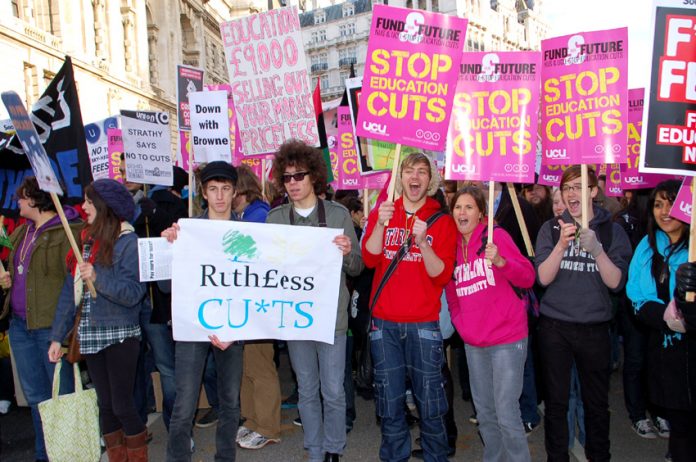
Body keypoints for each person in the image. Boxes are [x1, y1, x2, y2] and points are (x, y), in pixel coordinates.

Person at [266, 140, 362, 462]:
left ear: (314, 177)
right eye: (287, 177)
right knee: (306, 389)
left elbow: (358, 266)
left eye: (299, 176)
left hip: (331, 318)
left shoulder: (337, 215)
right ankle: (315, 450)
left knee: (333, 390)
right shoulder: (275, 219)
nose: (292, 183)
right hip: (294, 319)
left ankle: (334, 448)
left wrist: (348, 252)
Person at [362, 152, 457, 461]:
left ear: (430, 181)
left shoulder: (441, 220)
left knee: (431, 406)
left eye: (422, 171)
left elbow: (441, 274)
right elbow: (369, 258)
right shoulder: (384, 210)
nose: (415, 177)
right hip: (384, 325)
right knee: (389, 405)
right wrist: (380, 223)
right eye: (409, 170)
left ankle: (436, 456)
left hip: (423, 326)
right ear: (400, 177)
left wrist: (424, 243)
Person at [535, 165, 632, 462]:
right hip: (555, 328)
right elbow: (543, 278)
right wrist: (561, 247)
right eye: (567, 188)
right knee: (556, 402)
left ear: (593, 191)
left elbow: (615, 283)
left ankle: (599, 456)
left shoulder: (611, 229)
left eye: (579, 187)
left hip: (594, 329)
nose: (572, 193)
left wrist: (597, 250)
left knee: (596, 404)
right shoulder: (551, 228)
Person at [49, 179, 149, 461]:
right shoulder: (87, 241)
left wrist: (97, 277)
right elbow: (70, 293)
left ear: (104, 207)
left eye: (89, 203)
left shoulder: (128, 242)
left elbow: (133, 294)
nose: (83, 208)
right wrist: (58, 336)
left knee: (122, 405)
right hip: (91, 335)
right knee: (105, 406)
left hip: (121, 335)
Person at [445, 185, 534, 462]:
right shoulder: (452, 248)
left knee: (506, 412)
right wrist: (463, 325)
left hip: (507, 339)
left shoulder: (496, 238)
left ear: (481, 213)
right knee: (484, 414)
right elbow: (452, 294)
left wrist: (501, 261)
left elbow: (528, 278)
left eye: (469, 207)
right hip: (474, 343)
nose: (462, 212)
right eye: (458, 207)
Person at [163, 161, 244, 462]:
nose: (220, 196)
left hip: (233, 328)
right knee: (184, 405)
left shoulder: (248, 233)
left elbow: (256, 287)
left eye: (225, 189)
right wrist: (169, 248)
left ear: (235, 192)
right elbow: (165, 287)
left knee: (230, 403)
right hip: (192, 328)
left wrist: (236, 330)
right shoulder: (186, 231)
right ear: (204, 194)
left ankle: (225, 457)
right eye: (213, 189)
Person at [0, 176, 81, 462]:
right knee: (36, 399)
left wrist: (60, 333)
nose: (17, 202)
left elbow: (72, 287)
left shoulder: (68, 232)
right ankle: (44, 455)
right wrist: (9, 280)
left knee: (62, 398)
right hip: (21, 327)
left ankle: (70, 454)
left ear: (34, 199)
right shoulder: (23, 232)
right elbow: (23, 272)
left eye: (21, 197)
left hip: (50, 329)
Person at [626, 180, 695, 461]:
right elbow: (637, 298)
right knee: (681, 437)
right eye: (658, 204)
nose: (665, 211)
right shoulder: (646, 247)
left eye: (672, 203)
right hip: (667, 358)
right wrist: (668, 317)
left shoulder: (694, 249)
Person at [231, 165, 282, 450]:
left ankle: (268, 426)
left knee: (260, 367)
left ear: (242, 190)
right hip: (243, 304)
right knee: (247, 367)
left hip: (259, 306)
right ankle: (252, 420)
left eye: (230, 189)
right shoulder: (243, 216)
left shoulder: (260, 216)